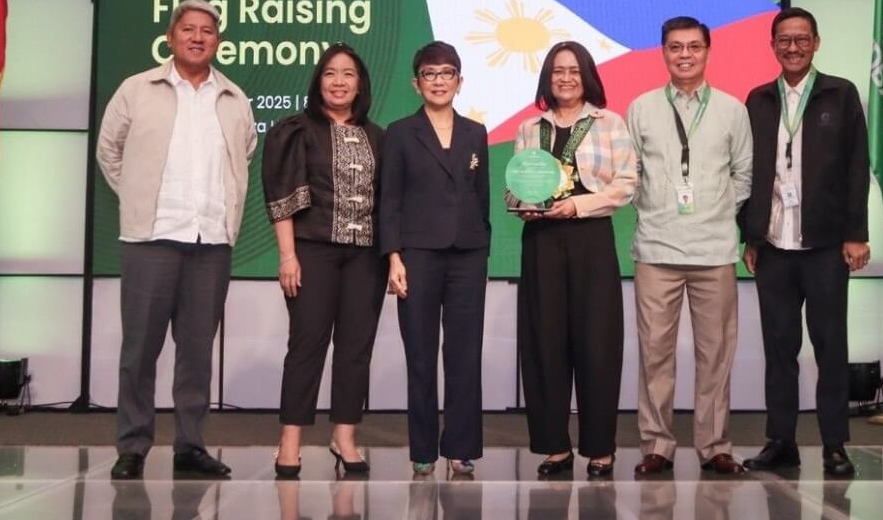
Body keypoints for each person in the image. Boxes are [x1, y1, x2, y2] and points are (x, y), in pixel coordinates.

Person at [96, 0, 257, 480]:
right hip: (151, 238)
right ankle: (132, 446)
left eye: (207, 30)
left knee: (196, 353)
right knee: (139, 351)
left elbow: (246, 153)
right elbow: (109, 151)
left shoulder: (234, 98)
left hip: (211, 242)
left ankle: (190, 446)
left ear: (218, 42)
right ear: (170, 37)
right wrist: (139, 195)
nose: (197, 37)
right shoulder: (137, 89)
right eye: (188, 29)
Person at [740, 7, 869, 477]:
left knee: (830, 345)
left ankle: (835, 444)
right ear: (772, 46)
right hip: (773, 245)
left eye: (801, 39)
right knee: (779, 348)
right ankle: (781, 441)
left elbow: (857, 167)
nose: (792, 47)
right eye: (784, 40)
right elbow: (745, 173)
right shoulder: (758, 99)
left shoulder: (840, 93)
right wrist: (750, 235)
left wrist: (856, 234)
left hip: (826, 245)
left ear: (816, 42)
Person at [626, 15, 752, 476]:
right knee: (654, 352)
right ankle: (657, 444)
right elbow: (630, 174)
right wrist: (657, 206)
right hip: (656, 249)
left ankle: (714, 445)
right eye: (675, 47)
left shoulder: (732, 110)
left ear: (707, 51)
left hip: (714, 250)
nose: (685, 55)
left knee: (715, 353)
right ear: (663, 53)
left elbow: (744, 175)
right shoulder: (641, 108)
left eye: (693, 47)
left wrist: (713, 210)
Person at [508, 41, 637, 477]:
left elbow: (626, 184)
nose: (565, 78)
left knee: (597, 343)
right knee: (544, 343)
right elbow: (517, 183)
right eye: (558, 71)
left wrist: (579, 205)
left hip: (590, 238)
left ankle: (600, 447)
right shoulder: (529, 127)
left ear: (587, 77)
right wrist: (522, 205)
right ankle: (555, 447)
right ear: (547, 78)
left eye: (574, 71)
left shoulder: (609, 123)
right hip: (541, 240)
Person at [261, 43, 385, 478]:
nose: (339, 81)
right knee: (307, 346)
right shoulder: (296, 130)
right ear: (318, 82)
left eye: (348, 74)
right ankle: (290, 442)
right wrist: (287, 256)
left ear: (360, 84)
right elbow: (282, 198)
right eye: (330, 73)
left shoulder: (378, 136)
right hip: (311, 252)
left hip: (366, 257)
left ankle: (344, 437)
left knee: (355, 349)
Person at [379, 41, 490, 476]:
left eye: (447, 73)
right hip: (417, 256)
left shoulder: (476, 132)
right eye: (430, 73)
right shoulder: (400, 132)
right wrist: (393, 257)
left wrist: (482, 249)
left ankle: (461, 447)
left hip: (468, 256)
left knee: (465, 354)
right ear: (416, 83)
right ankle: (423, 449)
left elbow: (481, 198)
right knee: (421, 355)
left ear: (460, 82)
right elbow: (389, 200)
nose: (438, 81)